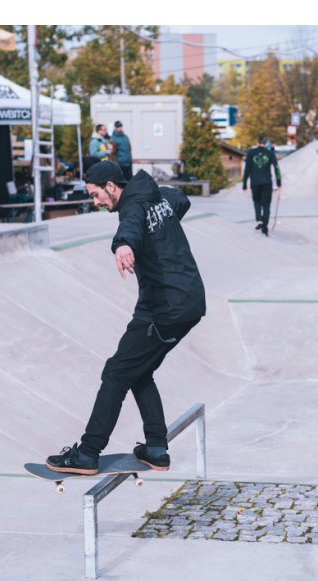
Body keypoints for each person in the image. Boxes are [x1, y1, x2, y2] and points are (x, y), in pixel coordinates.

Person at [45, 160, 206, 475]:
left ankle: (87, 453)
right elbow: (180, 201)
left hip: (163, 309)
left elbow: (129, 227)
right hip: (189, 302)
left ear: (110, 186)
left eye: (95, 195)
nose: (96, 202)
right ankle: (156, 448)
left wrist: (123, 247)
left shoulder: (132, 207)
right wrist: (162, 236)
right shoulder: (158, 196)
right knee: (139, 370)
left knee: (116, 373)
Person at [242, 134, 281, 236]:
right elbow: (276, 168)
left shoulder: (251, 153)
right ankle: (265, 226)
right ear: (266, 143)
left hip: (255, 183)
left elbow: (247, 169)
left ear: (257, 143)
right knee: (266, 205)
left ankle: (259, 219)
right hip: (267, 183)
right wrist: (279, 182)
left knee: (257, 201)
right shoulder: (270, 153)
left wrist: (244, 184)